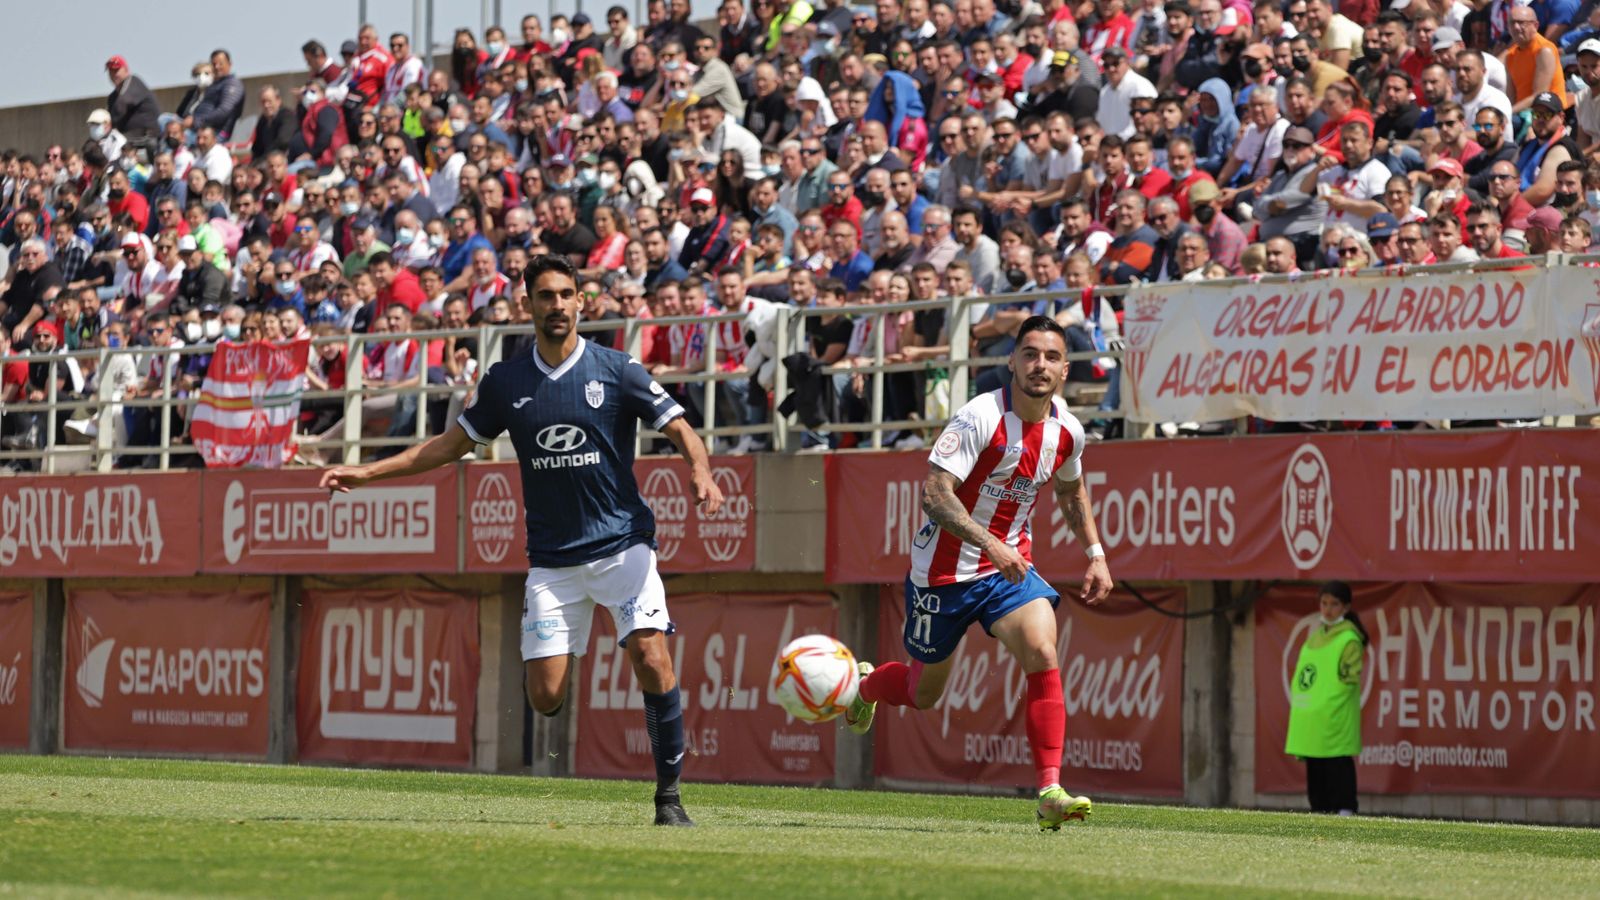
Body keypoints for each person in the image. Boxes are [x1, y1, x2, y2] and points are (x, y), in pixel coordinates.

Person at [320, 254, 723, 828]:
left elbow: (680, 426)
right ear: (526, 305)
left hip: (623, 545)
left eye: (565, 294)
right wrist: (365, 472)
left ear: (582, 301)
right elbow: (447, 446)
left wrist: (701, 471)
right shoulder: (507, 382)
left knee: (650, 655)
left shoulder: (617, 370)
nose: (556, 305)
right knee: (545, 697)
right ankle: (559, 655)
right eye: (545, 296)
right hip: (553, 561)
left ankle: (669, 797)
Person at [843, 315, 1114, 831]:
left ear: (1065, 369)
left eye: (1051, 357)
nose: (1040, 365)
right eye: (1030, 354)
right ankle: (868, 686)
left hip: (1007, 571)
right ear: (1011, 361)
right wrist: (990, 541)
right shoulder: (979, 417)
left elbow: (1070, 491)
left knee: (1043, 649)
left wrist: (1096, 553)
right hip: (941, 575)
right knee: (923, 694)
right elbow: (933, 494)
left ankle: (1049, 790)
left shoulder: (1068, 431)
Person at [1284, 580, 1369, 816]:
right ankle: (1320, 811)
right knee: (1317, 768)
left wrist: (1327, 701)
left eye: (1334, 604)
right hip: (1313, 717)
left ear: (1346, 607)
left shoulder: (1349, 639)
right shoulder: (1314, 637)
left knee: (1337, 764)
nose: (1327, 609)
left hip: (1335, 715)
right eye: (1323, 603)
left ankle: (1345, 809)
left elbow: (1349, 679)